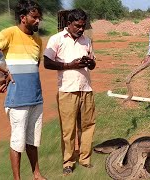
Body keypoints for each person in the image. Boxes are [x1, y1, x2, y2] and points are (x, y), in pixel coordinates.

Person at [44, 8, 96, 175]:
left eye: (83, 26)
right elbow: (46, 63)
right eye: (77, 26)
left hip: (86, 89)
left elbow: (93, 64)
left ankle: (85, 159)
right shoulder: (57, 39)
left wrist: (89, 62)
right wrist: (69, 65)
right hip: (67, 90)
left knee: (87, 126)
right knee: (68, 129)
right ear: (68, 24)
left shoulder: (87, 40)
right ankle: (68, 162)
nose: (80, 29)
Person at [0, 0, 46, 179]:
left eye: (39, 18)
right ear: (23, 17)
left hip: (36, 98)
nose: (38, 21)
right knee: (17, 142)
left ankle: (36, 174)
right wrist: (3, 72)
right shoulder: (9, 33)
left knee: (33, 141)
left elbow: (35, 67)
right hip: (17, 100)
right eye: (34, 17)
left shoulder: (38, 41)